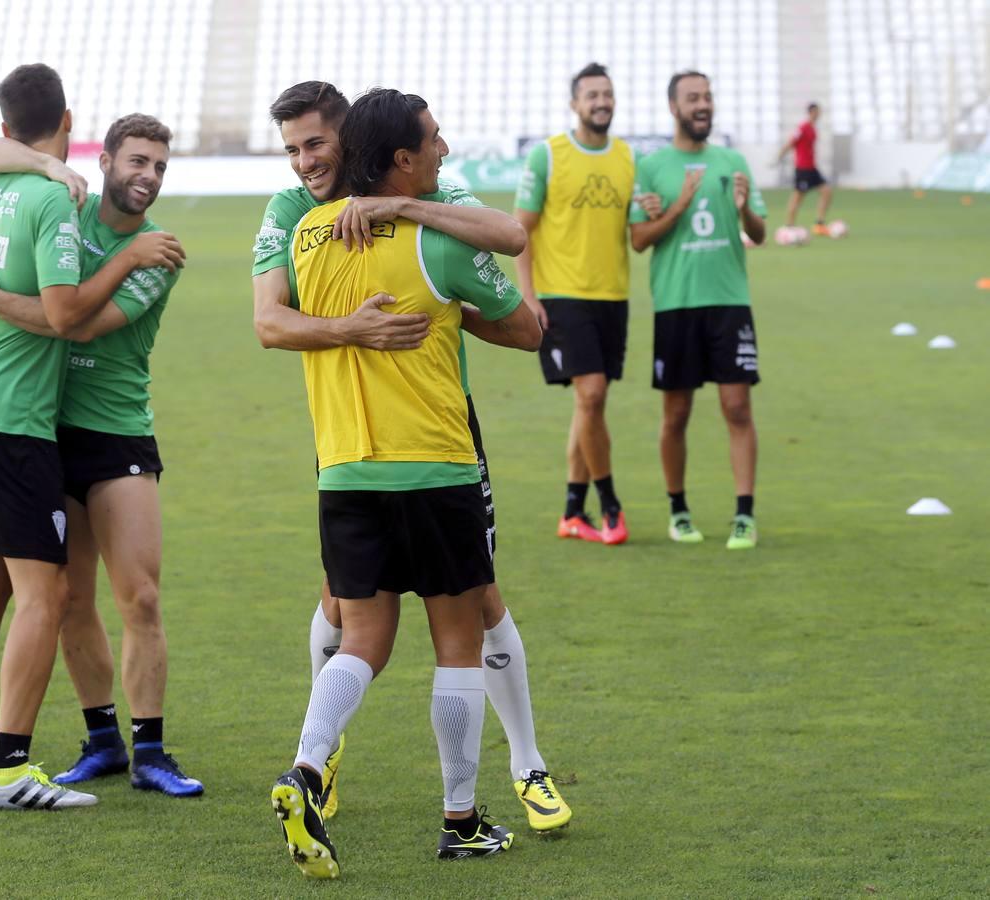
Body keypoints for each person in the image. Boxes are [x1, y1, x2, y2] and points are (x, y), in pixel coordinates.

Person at [255, 81, 572, 833]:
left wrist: (402, 216)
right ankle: (460, 819)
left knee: (361, 629)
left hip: (347, 461)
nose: (304, 163)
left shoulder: (312, 236)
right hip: (436, 454)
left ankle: (309, 763)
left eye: (315, 145)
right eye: (293, 149)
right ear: (398, 154)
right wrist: (364, 323)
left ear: (349, 142)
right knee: (457, 635)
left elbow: (276, 317)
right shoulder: (418, 231)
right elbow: (525, 314)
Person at [0, 65, 181, 811]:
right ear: (98, 158)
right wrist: (39, 160)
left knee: (138, 595)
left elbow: (81, 323)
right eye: (137, 161)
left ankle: (151, 750)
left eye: (161, 167)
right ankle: (96, 740)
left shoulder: (158, 252)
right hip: (36, 426)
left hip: (113, 430)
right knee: (57, 596)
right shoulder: (58, 201)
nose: (149, 176)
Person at [629, 71, 767, 549]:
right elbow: (639, 240)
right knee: (677, 413)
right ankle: (678, 510)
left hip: (730, 302)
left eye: (707, 96)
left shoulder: (732, 162)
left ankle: (744, 516)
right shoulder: (653, 167)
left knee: (737, 407)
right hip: (677, 305)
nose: (703, 105)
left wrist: (746, 209)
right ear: (674, 107)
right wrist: (678, 206)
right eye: (693, 98)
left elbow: (760, 232)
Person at [515, 62, 641, 546]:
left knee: (589, 404)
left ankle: (572, 510)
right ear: (575, 104)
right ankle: (610, 505)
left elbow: (635, 223)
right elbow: (519, 230)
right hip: (562, 296)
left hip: (613, 295)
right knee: (590, 395)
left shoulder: (628, 157)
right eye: (592, 95)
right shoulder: (549, 155)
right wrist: (529, 297)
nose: (601, 102)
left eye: (607, 94)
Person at [775, 103, 833, 233]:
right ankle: (788, 226)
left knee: (826, 191)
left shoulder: (813, 128)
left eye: (819, 112)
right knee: (798, 197)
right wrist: (779, 156)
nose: (819, 114)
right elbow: (791, 142)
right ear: (811, 112)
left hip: (812, 168)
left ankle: (819, 223)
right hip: (803, 169)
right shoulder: (803, 127)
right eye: (816, 112)